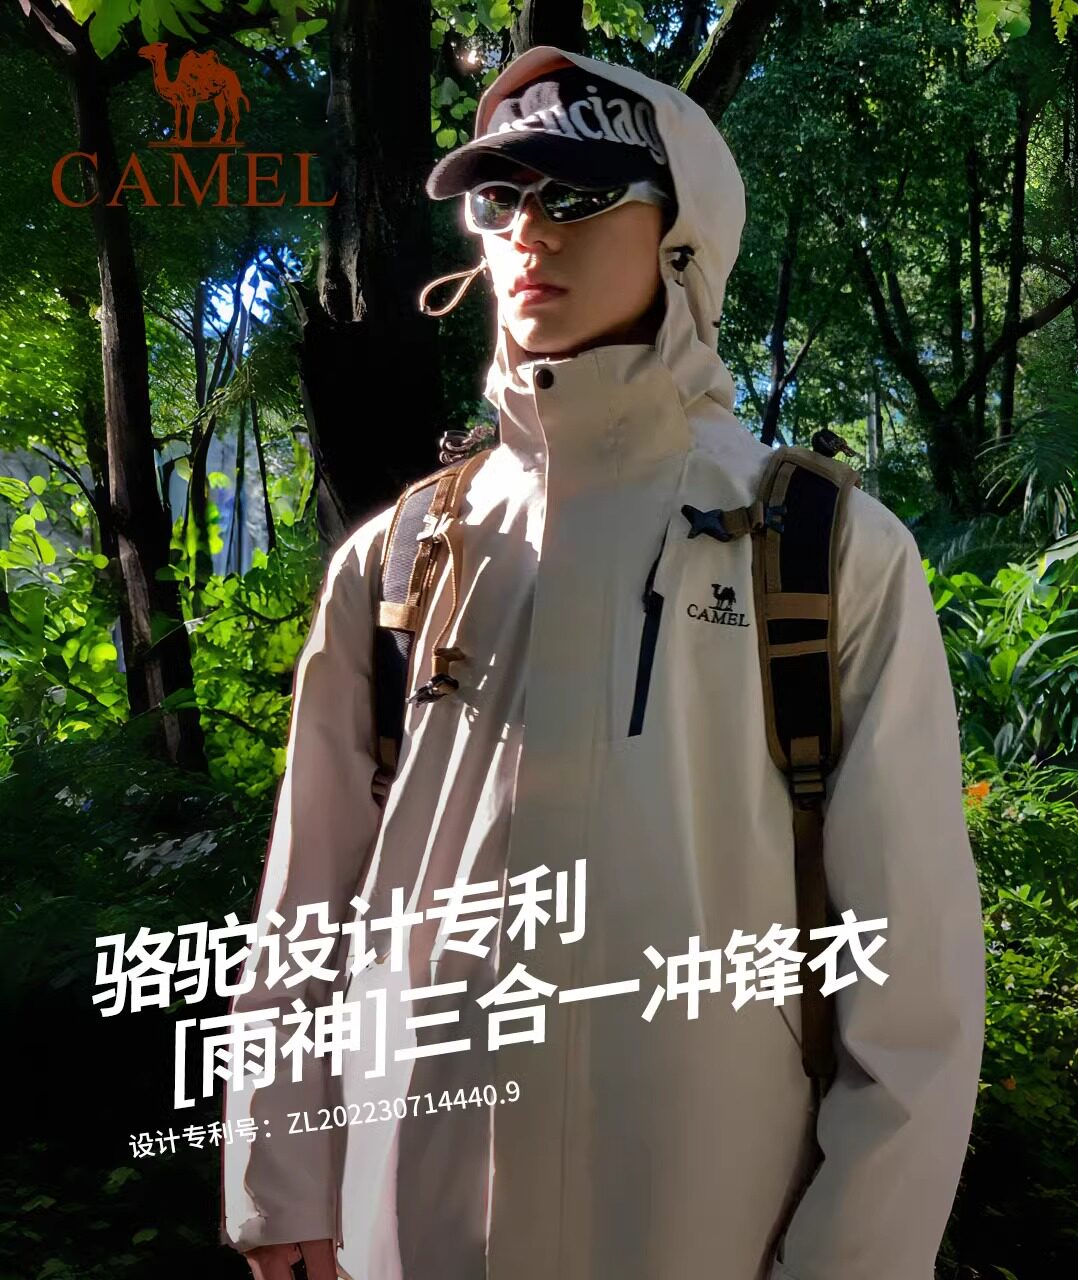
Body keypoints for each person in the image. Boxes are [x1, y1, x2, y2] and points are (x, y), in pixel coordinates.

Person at [220, 44, 987, 1280]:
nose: (529, 230)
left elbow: (912, 974)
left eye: (579, 194)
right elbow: (307, 901)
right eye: (498, 197)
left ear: (684, 232)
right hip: (407, 1218)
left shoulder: (820, 547)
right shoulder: (401, 551)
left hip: (705, 1221)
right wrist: (281, 1182)